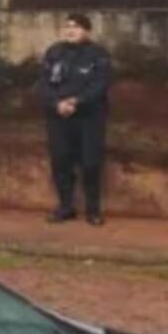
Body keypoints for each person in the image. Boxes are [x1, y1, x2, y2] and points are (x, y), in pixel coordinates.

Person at [39, 13, 112, 225]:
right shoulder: (54, 52)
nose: (71, 30)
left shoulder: (98, 55)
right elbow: (43, 83)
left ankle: (93, 210)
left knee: (90, 163)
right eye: (68, 26)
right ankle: (65, 207)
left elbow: (99, 85)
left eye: (77, 27)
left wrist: (76, 101)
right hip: (58, 117)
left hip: (89, 118)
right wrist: (57, 103)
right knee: (61, 162)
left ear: (87, 31)